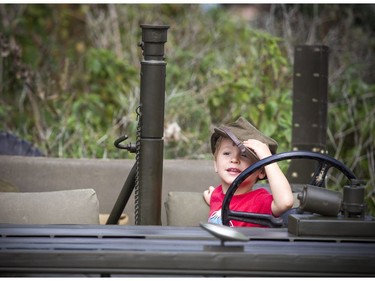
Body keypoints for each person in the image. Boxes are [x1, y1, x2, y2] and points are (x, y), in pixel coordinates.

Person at [203, 117, 294, 227]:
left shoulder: (259, 201)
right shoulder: (216, 195)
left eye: (245, 155)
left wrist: (267, 158)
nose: (234, 159)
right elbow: (222, 201)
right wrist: (212, 198)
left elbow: (285, 202)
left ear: (261, 171)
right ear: (215, 165)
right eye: (227, 153)